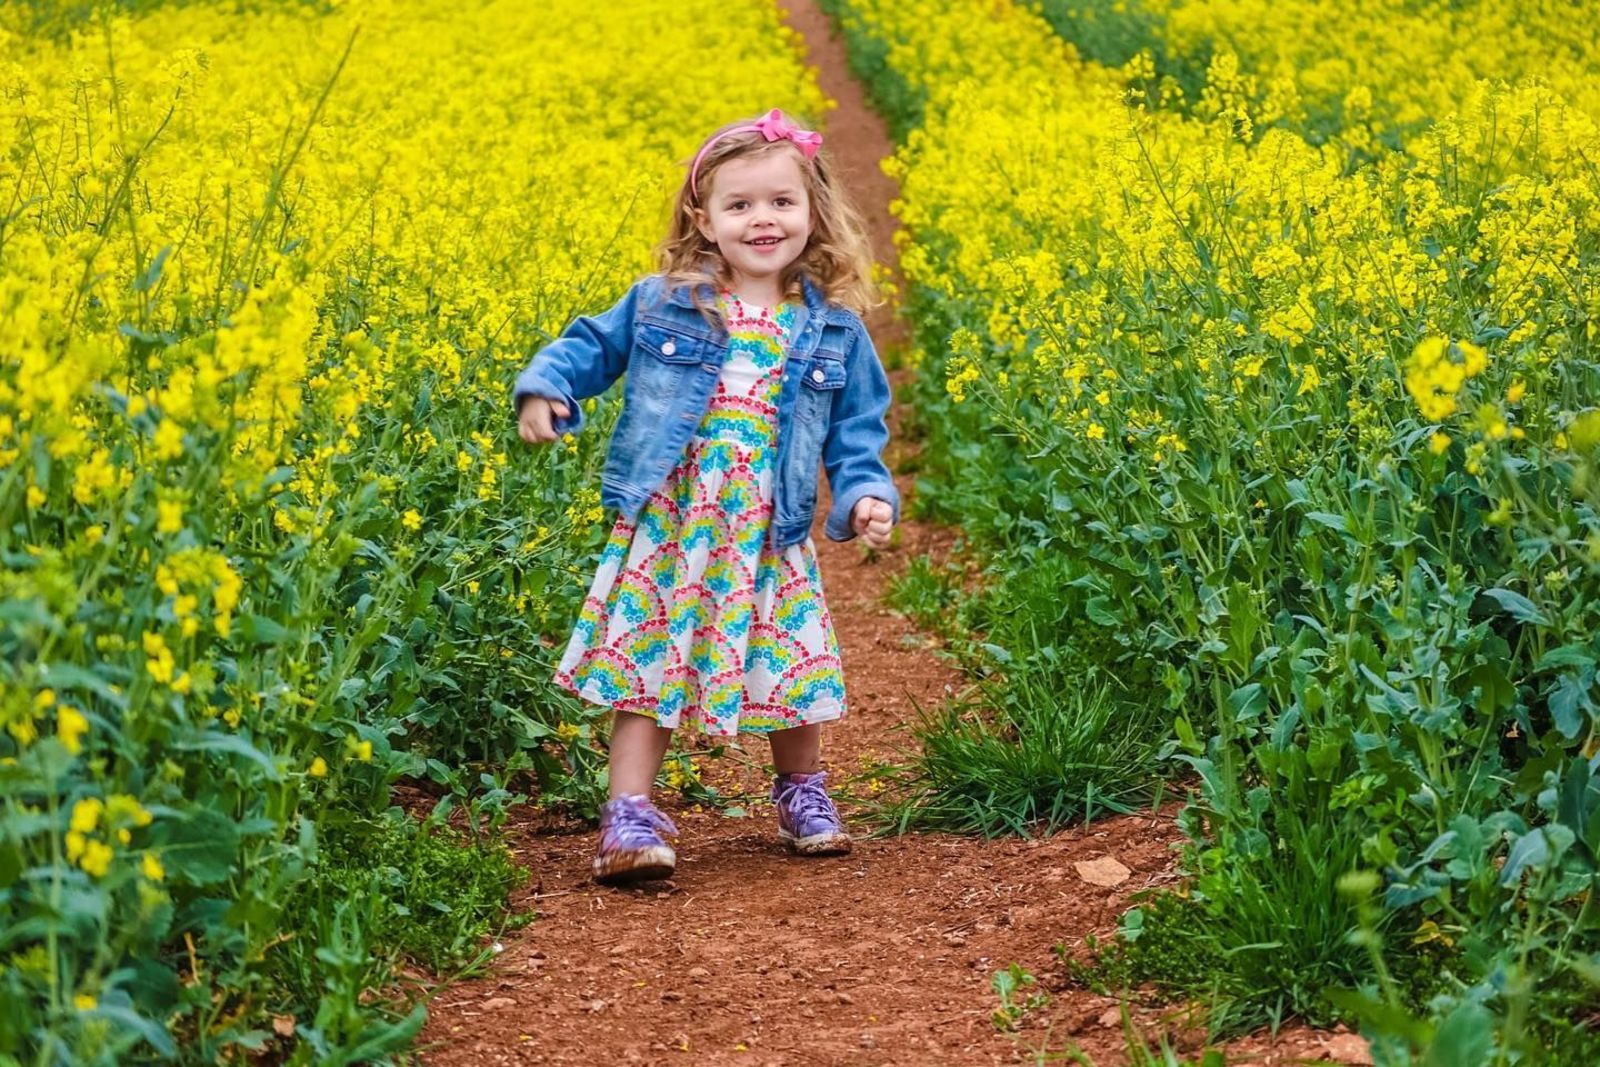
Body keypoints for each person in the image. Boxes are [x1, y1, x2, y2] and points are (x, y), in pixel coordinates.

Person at [513, 109, 898, 885]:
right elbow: (593, 346)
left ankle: (802, 791)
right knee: (649, 661)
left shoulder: (835, 332)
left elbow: (859, 429)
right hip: (674, 522)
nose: (763, 220)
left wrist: (864, 493)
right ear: (704, 218)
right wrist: (547, 387)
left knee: (786, 664)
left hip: (770, 529)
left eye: (782, 203)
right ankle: (628, 812)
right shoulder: (664, 300)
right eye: (741, 205)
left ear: (814, 211)